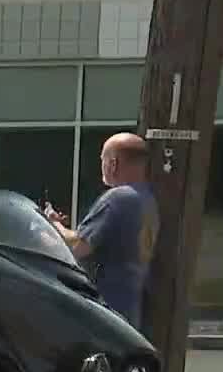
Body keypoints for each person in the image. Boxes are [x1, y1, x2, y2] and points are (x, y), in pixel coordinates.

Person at [44, 132, 159, 329]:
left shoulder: (117, 198)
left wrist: (52, 224)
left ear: (113, 164)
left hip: (104, 311)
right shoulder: (146, 198)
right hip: (129, 309)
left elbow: (79, 247)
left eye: (103, 160)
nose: (102, 166)